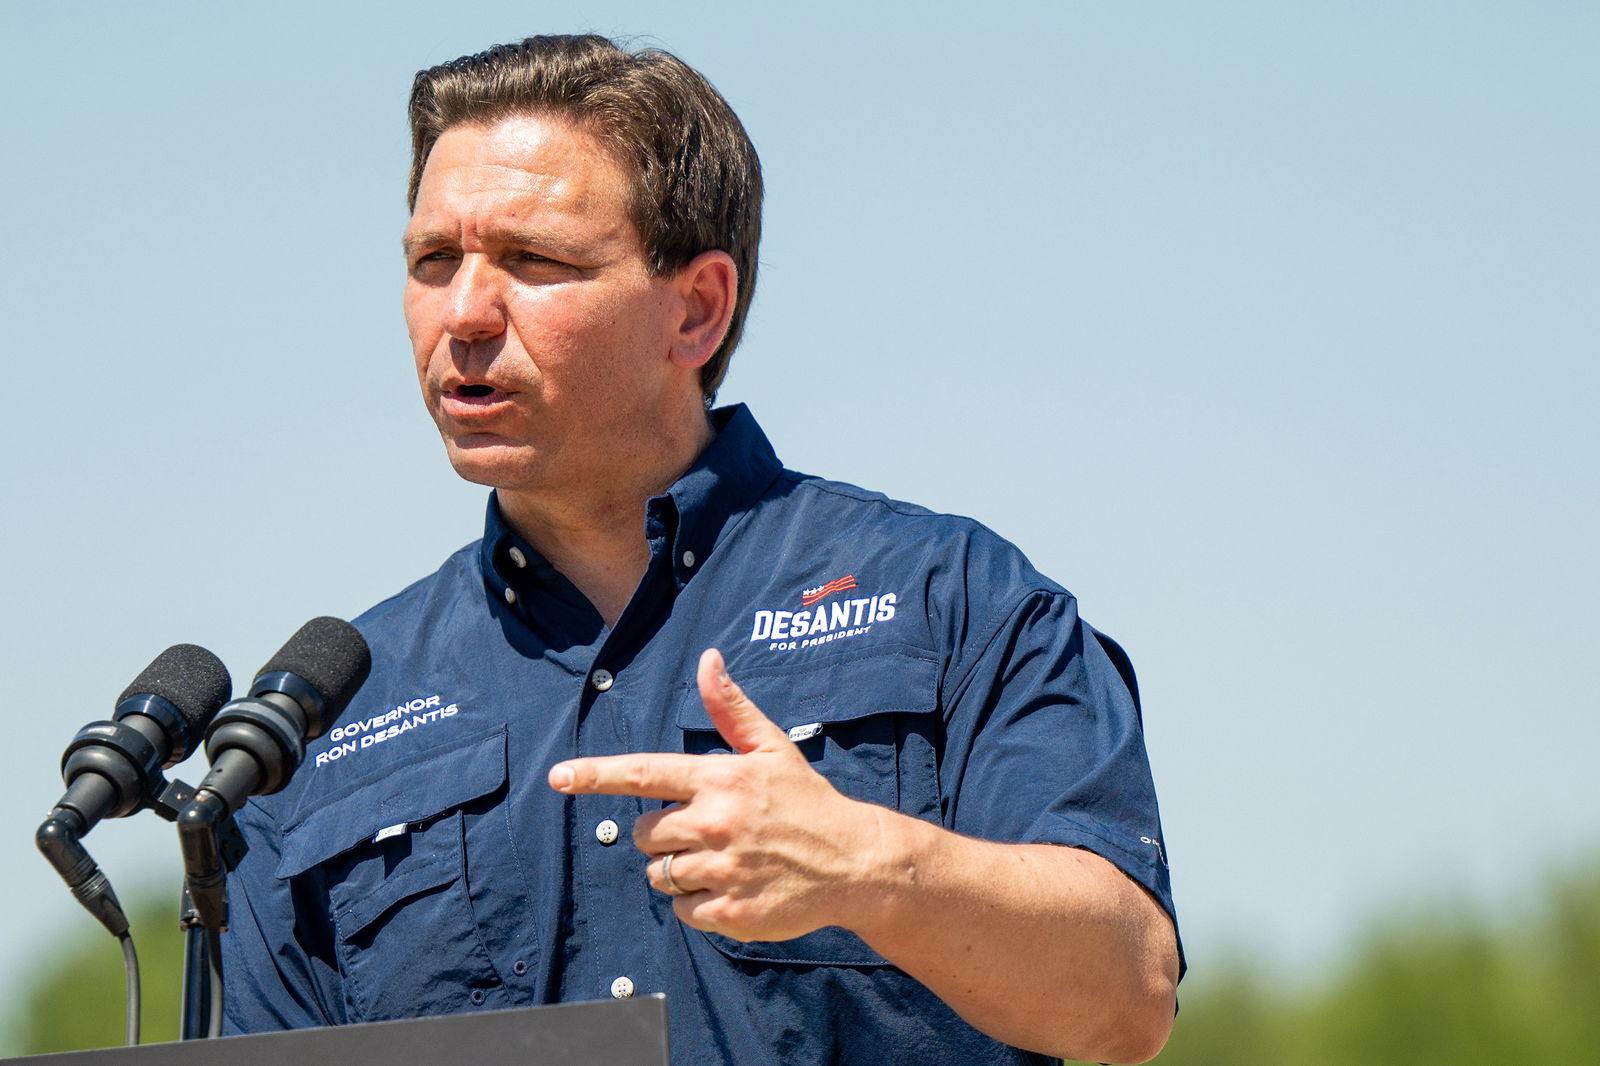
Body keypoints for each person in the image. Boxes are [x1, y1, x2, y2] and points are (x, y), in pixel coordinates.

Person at [220, 34, 1182, 1065]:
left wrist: (867, 864)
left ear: (697, 308)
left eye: (534, 261)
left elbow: (1126, 998)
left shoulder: (955, 599)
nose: (463, 313)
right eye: (432, 261)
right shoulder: (322, 725)